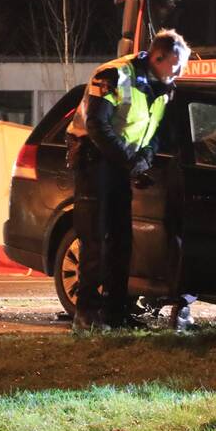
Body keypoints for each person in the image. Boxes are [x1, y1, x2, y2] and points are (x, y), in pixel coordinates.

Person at [66, 29, 190, 331]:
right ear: (157, 57)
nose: (179, 72)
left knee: (121, 240)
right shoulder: (114, 74)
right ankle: (86, 313)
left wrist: (145, 157)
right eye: (176, 65)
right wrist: (130, 160)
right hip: (94, 161)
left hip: (122, 165)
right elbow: (96, 124)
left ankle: (116, 311)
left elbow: (158, 132)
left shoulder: (163, 87)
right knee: (96, 238)